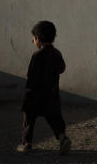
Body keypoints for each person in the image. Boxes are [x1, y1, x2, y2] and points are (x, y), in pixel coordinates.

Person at [17, 21, 71, 154]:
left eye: (34, 38)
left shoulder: (37, 56)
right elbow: (62, 69)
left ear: (38, 39)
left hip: (35, 95)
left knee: (29, 119)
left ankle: (26, 143)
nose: (33, 40)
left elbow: (31, 76)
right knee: (55, 118)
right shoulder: (56, 53)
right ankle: (63, 138)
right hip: (51, 94)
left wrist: (27, 94)